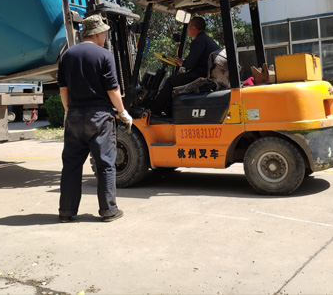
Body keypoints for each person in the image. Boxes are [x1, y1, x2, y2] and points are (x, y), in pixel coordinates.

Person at [57, 14, 132, 223]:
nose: (105, 36)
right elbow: (112, 89)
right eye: (104, 33)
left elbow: (63, 89)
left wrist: (68, 111)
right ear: (97, 34)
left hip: (74, 116)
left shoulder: (67, 55)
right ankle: (109, 210)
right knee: (105, 164)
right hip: (99, 118)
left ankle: (66, 211)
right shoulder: (104, 55)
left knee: (71, 165)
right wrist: (123, 112)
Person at [150, 17, 220, 116]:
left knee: (170, 81)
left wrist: (182, 63)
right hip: (204, 75)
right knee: (177, 79)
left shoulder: (198, 41)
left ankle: (154, 111)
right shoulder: (207, 40)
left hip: (199, 77)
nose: (187, 29)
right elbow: (197, 62)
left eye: (188, 27)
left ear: (194, 28)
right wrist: (184, 67)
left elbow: (190, 63)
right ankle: (169, 111)